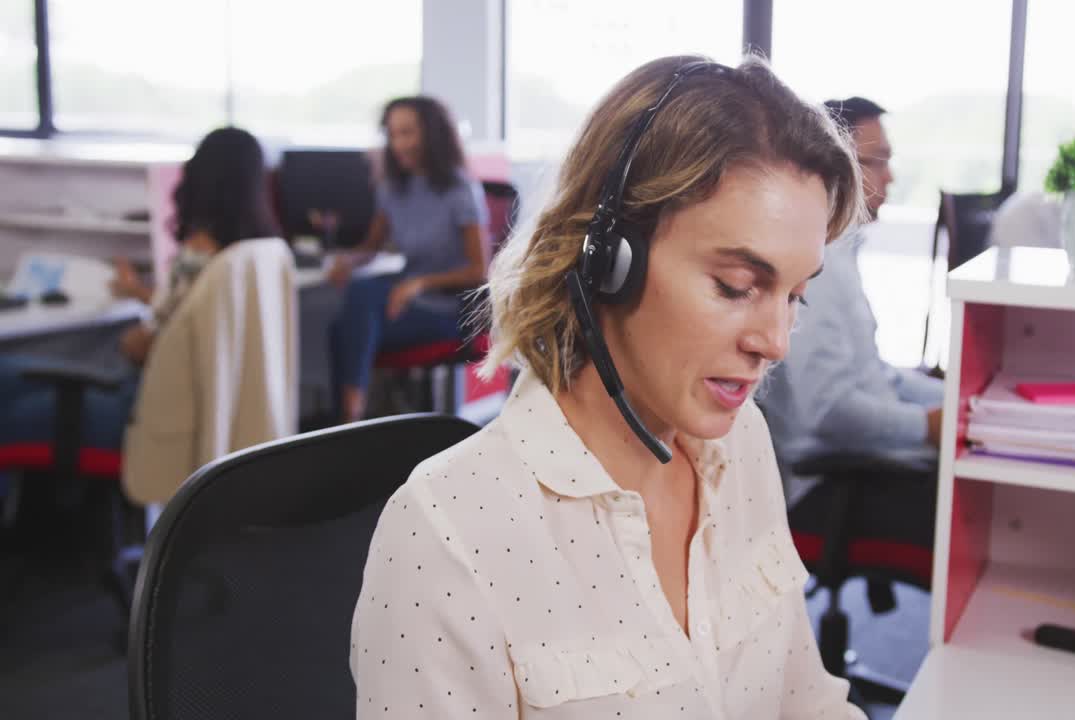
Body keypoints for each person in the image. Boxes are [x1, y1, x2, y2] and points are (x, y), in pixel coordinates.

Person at [349, 55, 868, 718]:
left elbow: (805, 702)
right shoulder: (447, 535)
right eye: (737, 287)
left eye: (795, 296)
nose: (775, 342)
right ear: (607, 260)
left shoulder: (741, 446)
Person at [0, 127, 277, 461]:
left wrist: (127, 339)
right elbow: (188, 312)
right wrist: (139, 293)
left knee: (10, 389)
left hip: (142, 411)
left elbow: (141, 347)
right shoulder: (257, 253)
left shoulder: (199, 251)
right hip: (187, 409)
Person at [761, 96, 944, 503]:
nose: (890, 178)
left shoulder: (842, 254)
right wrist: (927, 425)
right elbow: (830, 411)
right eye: (876, 162)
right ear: (835, 167)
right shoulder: (817, 266)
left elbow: (879, 377)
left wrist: (955, 404)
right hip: (835, 482)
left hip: (874, 462)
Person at [326, 96, 488, 422]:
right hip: (406, 302)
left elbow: (479, 270)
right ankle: (351, 421)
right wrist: (347, 261)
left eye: (407, 133)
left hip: (448, 308)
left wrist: (420, 283)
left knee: (359, 305)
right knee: (341, 326)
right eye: (392, 134)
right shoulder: (392, 188)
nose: (398, 143)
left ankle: (349, 420)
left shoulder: (460, 190)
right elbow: (371, 247)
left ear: (432, 135)